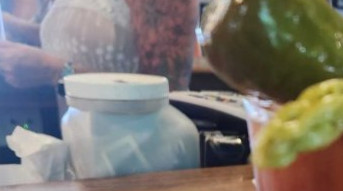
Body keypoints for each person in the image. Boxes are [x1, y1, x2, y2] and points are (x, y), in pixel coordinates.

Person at [0, 0, 197, 90]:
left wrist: (55, 71)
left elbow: (167, 91)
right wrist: (13, 26)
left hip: (137, 144)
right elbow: (77, 38)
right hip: (74, 137)